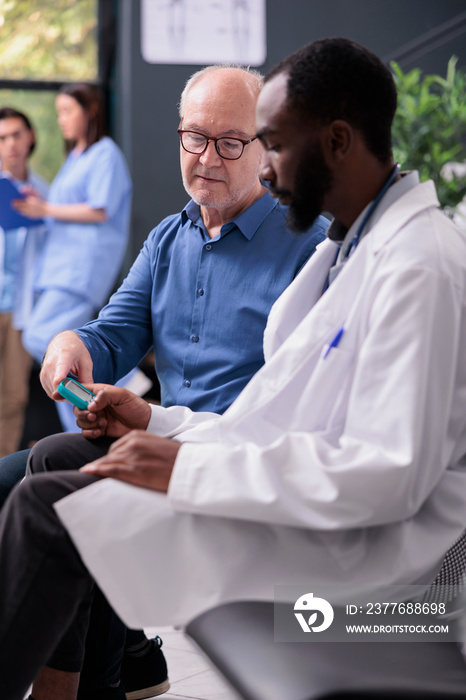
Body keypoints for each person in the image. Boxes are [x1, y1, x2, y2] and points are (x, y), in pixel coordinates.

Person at [2, 37, 466, 700]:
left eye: (267, 144)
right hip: (296, 502)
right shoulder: (354, 248)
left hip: (364, 573)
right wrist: (157, 419)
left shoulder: (416, 265)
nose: (269, 174)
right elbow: (278, 421)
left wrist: (181, 464)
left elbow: (385, 476)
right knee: (59, 479)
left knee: (54, 510)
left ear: (336, 142)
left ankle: (119, 668)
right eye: (198, 138)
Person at [0, 64, 327, 700]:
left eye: (230, 141)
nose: (207, 157)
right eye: (193, 138)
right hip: (156, 444)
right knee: (16, 481)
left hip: (237, 466)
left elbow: (300, 420)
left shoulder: (309, 250)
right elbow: (112, 332)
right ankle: (124, 656)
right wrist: (73, 343)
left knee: (56, 474)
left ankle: (99, 676)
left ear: (265, 148)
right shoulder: (169, 238)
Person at [12, 83, 132, 432]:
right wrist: (40, 205)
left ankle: (122, 378)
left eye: (67, 111)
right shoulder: (76, 157)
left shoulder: (105, 154)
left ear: (90, 110)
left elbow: (98, 209)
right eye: (58, 113)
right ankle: (84, 426)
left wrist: (46, 207)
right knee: (63, 360)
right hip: (60, 268)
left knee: (40, 339)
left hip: (80, 269)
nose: (61, 120)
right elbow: (65, 208)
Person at [0, 107, 49, 457]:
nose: (11, 144)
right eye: (3, 138)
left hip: (21, 307)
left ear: (30, 137)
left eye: (17, 134)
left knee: (14, 394)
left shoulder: (47, 193)